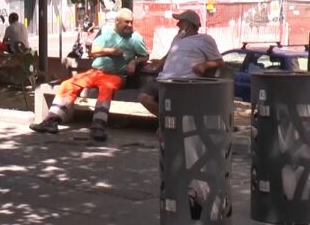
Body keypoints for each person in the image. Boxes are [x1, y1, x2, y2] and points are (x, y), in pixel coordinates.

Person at [29, 8, 149, 141]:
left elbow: (145, 56)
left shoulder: (135, 38)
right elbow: (94, 50)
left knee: (106, 88)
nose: (130, 25)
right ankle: (52, 120)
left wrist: (134, 61)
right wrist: (111, 51)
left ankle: (98, 126)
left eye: (131, 22)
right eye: (126, 22)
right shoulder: (106, 33)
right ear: (117, 21)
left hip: (115, 75)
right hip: (95, 72)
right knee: (68, 84)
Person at [138, 10, 224, 115]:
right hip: (164, 80)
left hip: (184, 82)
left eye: (181, 21)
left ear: (189, 24)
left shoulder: (205, 39)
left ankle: (170, 124)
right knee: (144, 97)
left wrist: (204, 65)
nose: (177, 24)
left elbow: (219, 61)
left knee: (173, 102)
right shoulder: (177, 38)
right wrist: (159, 62)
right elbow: (170, 54)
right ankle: (167, 122)